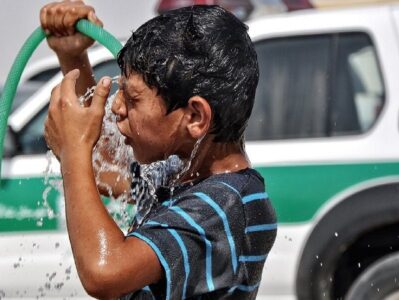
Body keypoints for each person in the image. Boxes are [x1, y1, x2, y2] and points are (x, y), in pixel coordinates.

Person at [40, 1, 277, 299]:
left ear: (194, 117)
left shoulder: (223, 205)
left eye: (132, 98)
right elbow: (102, 171)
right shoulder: (180, 173)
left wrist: (73, 149)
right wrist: (73, 57)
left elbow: (104, 272)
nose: (116, 108)